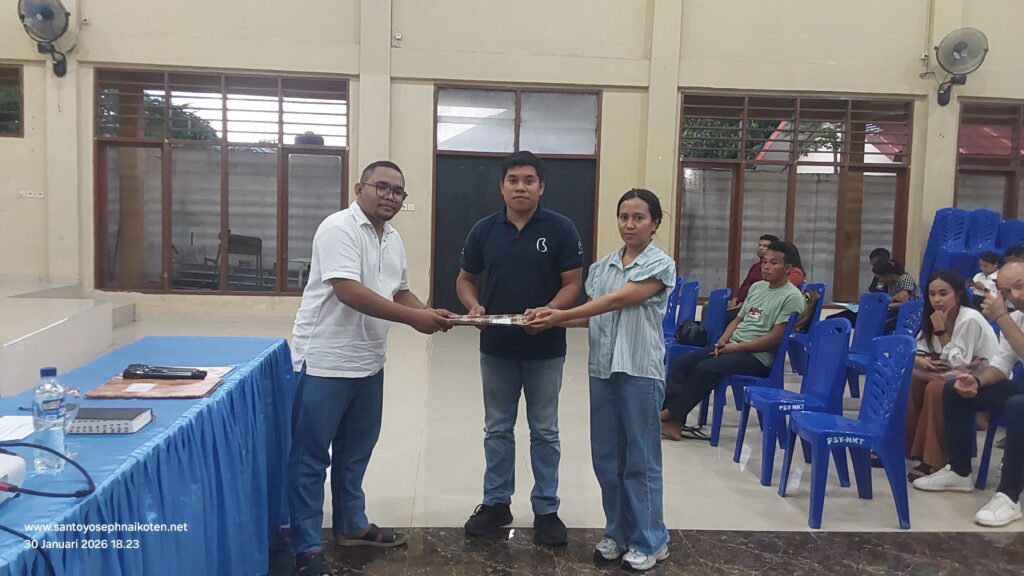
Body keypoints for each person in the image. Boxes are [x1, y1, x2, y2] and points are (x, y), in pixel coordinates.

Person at [287, 160, 455, 576]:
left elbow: (398, 291)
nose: (390, 196)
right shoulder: (338, 229)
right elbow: (349, 291)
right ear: (359, 188)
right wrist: (413, 319)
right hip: (325, 362)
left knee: (355, 452)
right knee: (311, 458)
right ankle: (307, 546)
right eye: (382, 187)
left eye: (398, 191)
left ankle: (351, 526)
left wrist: (429, 311)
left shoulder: (393, 238)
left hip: (368, 362)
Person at [526, 188, 674, 571]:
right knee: (608, 458)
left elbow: (619, 300)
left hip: (640, 371)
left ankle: (651, 539)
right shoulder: (603, 267)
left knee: (641, 459)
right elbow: (594, 315)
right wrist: (550, 321)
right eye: (624, 217)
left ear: (655, 223)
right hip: (603, 370)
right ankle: (618, 532)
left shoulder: (660, 264)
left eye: (639, 217)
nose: (630, 224)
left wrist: (559, 314)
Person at [456, 151, 584, 545]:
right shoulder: (484, 230)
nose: (520, 187)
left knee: (545, 431)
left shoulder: (561, 229)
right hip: (496, 346)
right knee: (497, 428)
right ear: (502, 186)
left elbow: (573, 285)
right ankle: (496, 503)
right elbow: (465, 279)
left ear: (542, 186)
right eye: (513, 180)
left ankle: (546, 508)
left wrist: (550, 310)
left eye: (529, 180)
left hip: (546, 347)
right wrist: (473, 306)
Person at [912, 261, 1024, 528]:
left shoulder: (1003, 318)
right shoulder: (1018, 318)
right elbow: (1001, 365)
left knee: (1019, 406)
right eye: (1006, 292)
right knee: (954, 389)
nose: (1015, 296)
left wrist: (1002, 318)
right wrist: (975, 380)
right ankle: (959, 471)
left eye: (1020, 287)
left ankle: (1008, 496)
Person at [661, 240, 806, 440]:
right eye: (764, 262)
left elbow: (775, 338)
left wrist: (737, 348)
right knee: (681, 363)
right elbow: (738, 319)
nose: (766, 267)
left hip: (758, 357)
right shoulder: (757, 287)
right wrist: (723, 341)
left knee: (706, 369)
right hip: (734, 347)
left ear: (788, 268)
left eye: (774, 263)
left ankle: (668, 415)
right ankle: (674, 421)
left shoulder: (792, 297)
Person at [906, 270, 998, 481]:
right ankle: (909, 447)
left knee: (936, 387)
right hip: (955, 372)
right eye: (932, 294)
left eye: (943, 293)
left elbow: (959, 361)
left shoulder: (969, 318)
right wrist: (919, 359)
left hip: (983, 378)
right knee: (912, 381)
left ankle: (935, 459)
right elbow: (920, 347)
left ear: (958, 294)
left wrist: (941, 331)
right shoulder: (933, 316)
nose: (937, 300)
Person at [830, 248, 891, 325]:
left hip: (878, 313)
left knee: (841, 323)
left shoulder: (891, 278)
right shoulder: (877, 277)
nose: (874, 268)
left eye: (875, 265)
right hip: (868, 309)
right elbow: (873, 293)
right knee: (832, 319)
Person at [872, 258, 922, 331]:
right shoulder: (890, 284)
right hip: (899, 313)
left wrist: (887, 304)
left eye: (879, 278)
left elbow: (905, 301)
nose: (879, 281)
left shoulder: (905, 279)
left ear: (886, 275)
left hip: (913, 314)